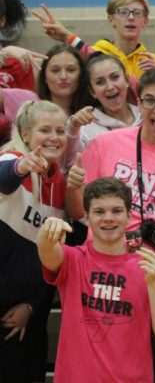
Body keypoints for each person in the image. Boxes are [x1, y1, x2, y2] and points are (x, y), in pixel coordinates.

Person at [38, 178, 155, 382]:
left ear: (130, 215)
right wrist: (47, 232)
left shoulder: (149, 265)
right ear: (86, 218)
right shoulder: (72, 259)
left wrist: (153, 283)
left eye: (116, 210)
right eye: (99, 212)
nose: (108, 218)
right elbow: (46, 250)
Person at [68, 68, 155, 254]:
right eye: (149, 101)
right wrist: (73, 186)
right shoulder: (104, 144)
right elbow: (77, 212)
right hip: (100, 261)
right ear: (139, 105)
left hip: (151, 268)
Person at [0, 101, 69, 383]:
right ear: (26, 135)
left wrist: (31, 305)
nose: (54, 137)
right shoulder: (11, 158)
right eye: (45, 130)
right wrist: (20, 167)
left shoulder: (60, 183)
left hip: (24, 317)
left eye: (60, 130)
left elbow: (53, 256)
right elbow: (4, 177)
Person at [33, 0, 155, 77]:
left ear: (145, 21)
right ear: (111, 19)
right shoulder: (93, 55)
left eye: (137, 13)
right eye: (123, 12)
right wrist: (67, 37)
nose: (131, 17)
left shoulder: (154, 62)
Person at [80, 53, 141, 146]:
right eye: (100, 82)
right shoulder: (85, 130)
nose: (110, 87)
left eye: (115, 77)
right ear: (92, 91)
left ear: (127, 80)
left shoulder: (146, 116)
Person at [36, 44, 91, 116]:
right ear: (44, 77)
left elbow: (103, 61)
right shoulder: (31, 109)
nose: (63, 77)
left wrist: (70, 37)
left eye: (71, 70)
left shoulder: (93, 113)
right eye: (55, 70)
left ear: (81, 75)